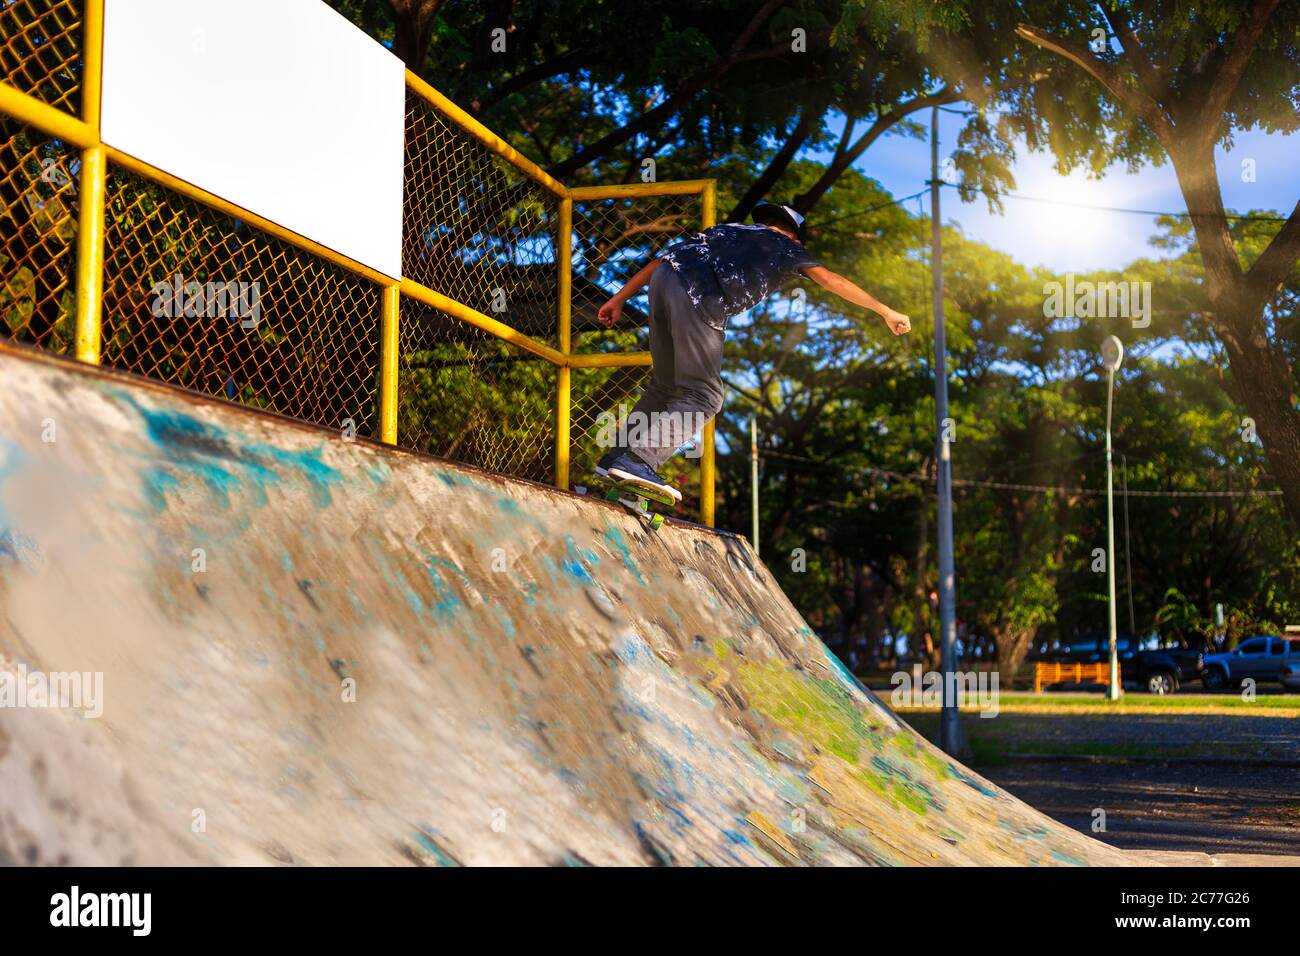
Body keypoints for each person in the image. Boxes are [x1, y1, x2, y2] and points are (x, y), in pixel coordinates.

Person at [595, 201, 911, 502]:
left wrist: (619, 298)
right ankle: (638, 460)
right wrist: (885, 311)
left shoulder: (725, 230)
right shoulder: (787, 247)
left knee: (664, 387)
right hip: (699, 296)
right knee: (704, 395)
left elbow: (661, 261)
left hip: (663, 283)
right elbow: (829, 280)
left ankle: (615, 457)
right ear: (795, 236)